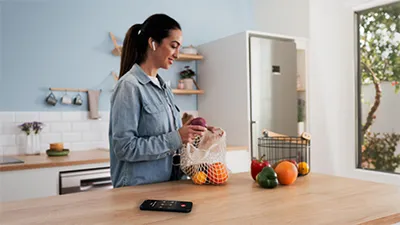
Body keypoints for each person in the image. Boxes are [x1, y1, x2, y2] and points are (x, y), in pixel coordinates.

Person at [108, 14, 209, 188]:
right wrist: (177, 137)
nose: (177, 54)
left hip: (166, 187)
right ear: (153, 43)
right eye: (173, 46)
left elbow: (170, 137)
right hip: (136, 193)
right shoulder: (129, 86)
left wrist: (197, 133)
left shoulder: (164, 89)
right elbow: (124, 147)